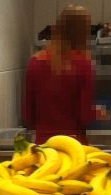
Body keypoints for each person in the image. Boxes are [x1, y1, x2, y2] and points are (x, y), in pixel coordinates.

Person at [22, 5, 95, 144]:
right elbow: (84, 116)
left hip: (43, 143)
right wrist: (96, 112)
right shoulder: (83, 64)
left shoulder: (35, 61)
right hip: (73, 143)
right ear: (83, 33)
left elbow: (28, 115)